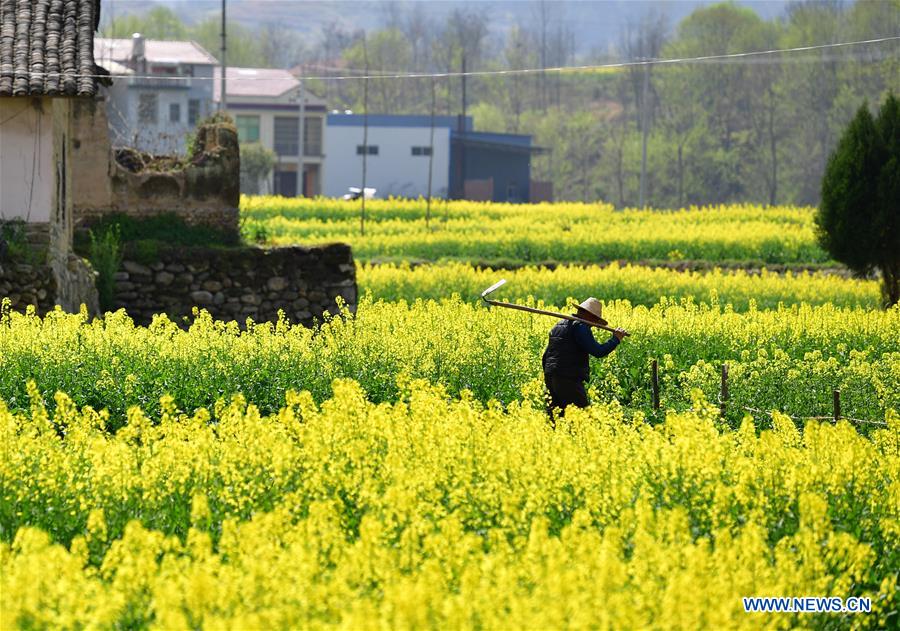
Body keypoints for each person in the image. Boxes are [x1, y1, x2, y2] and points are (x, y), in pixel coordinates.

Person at [541, 297, 627, 420]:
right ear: (590, 316)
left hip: (551, 377)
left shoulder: (559, 324)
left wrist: (549, 374)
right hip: (568, 379)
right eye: (596, 319)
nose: (595, 324)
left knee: (556, 420)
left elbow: (546, 355)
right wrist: (616, 339)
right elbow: (598, 351)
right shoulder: (580, 327)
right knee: (583, 420)